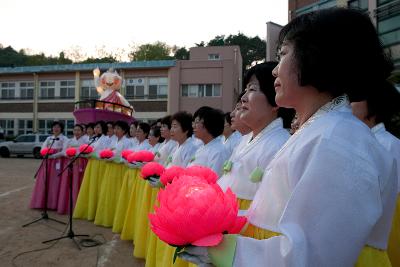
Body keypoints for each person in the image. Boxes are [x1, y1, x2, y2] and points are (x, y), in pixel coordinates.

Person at [180, 8, 397, 267]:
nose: (274, 71)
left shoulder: (337, 140)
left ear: (315, 57)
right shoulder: (321, 130)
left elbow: (313, 256)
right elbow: (275, 215)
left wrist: (230, 252)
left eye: (282, 54)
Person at [218, 62, 293, 210]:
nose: (243, 98)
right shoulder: (245, 139)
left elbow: (273, 208)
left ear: (275, 100)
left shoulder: (281, 145)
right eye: (245, 90)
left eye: (252, 89)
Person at [351, 81, 400, 266]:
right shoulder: (366, 141)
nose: (348, 105)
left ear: (373, 106)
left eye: (355, 99)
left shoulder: (390, 145)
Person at [30, 121, 69, 210]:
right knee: (44, 181)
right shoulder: (49, 138)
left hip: (59, 162)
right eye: (54, 127)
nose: (56, 128)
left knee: (55, 182)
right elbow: (42, 148)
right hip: (47, 162)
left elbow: (64, 151)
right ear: (52, 128)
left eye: (58, 127)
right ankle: (42, 203)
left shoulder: (64, 139)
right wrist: (45, 153)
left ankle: (53, 204)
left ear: (61, 129)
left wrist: (53, 156)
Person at [57, 124, 89, 214]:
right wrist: (69, 154)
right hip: (70, 163)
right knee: (68, 183)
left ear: (83, 132)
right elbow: (63, 151)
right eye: (75, 130)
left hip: (81, 164)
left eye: (79, 130)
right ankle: (67, 205)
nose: (77, 132)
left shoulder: (86, 141)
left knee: (79, 183)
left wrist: (77, 153)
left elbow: (87, 152)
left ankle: (79, 207)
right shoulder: (69, 141)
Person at [188, 106, 228, 176]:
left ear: (208, 124)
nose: (193, 126)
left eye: (197, 122)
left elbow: (214, 179)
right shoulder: (202, 147)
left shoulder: (218, 151)